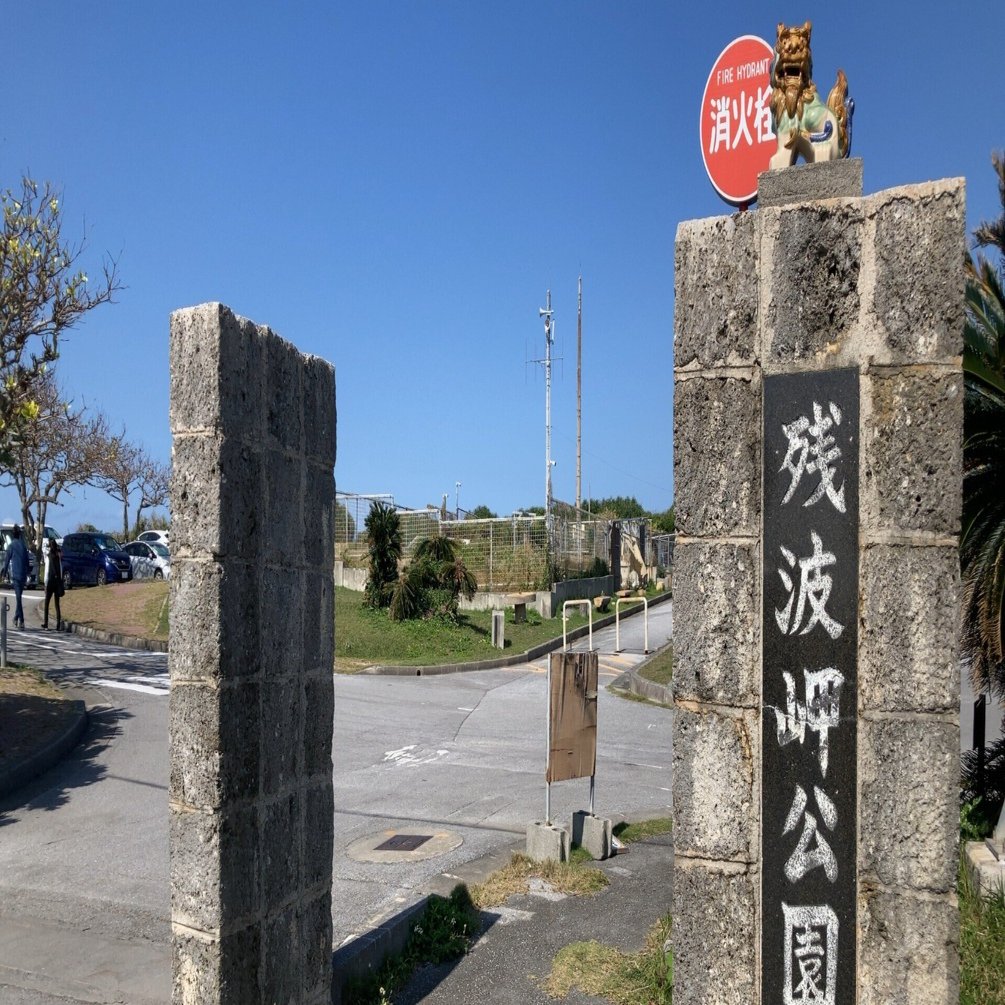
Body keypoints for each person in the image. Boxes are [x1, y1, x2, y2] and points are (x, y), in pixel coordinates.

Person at [1, 526, 31, 629]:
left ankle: (21, 620)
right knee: (19, 597)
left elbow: (6, 561)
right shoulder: (23, 546)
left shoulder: (11, 546)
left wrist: (4, 573)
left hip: (16, 575)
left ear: (12, 534)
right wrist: (28, 573)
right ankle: (15, 617)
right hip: (23, 575)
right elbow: (27, 561)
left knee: (18, 598)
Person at [43, 540, 64, 630]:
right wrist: (60, 580)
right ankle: (58, 624)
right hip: (57, 582)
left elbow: (47, 571)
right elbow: (61, 569)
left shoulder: (49, 557)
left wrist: (45, 583)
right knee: (57, 604)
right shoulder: (58, 557)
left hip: (50, 581)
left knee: (47, 603)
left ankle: (46, 623)